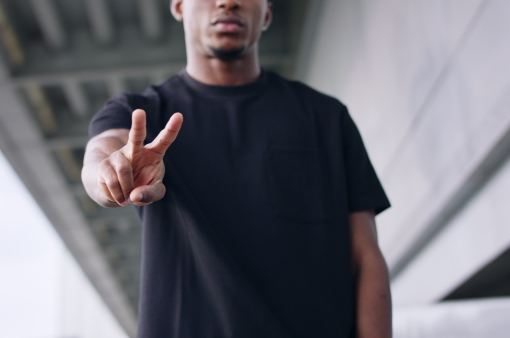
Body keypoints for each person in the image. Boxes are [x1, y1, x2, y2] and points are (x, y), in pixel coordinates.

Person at [82, 0, 392, 337]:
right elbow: (103, 149)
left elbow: (365, 256)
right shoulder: (142, 113)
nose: (227, 2)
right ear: (179, 6)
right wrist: (110, 173)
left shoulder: (327, 118)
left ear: (268, 13)